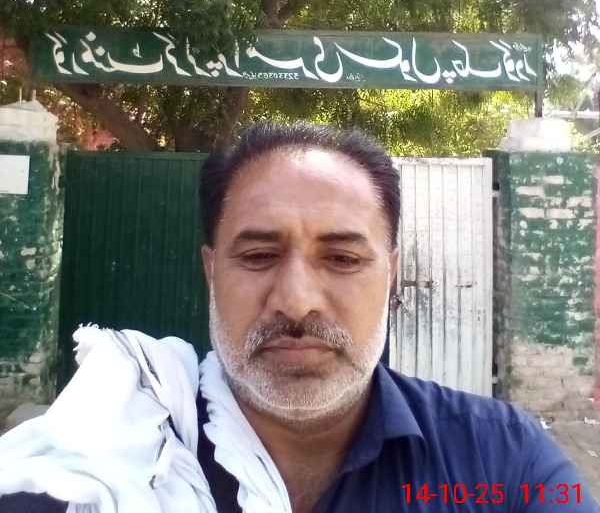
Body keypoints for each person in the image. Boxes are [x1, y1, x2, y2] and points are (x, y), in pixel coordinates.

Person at [1, 121, 598, 512]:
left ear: (391, 276)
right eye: (259, 256)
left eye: (341, 258)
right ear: (211, 272)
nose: (296, 300)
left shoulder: (503, 462)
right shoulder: (99, 463)